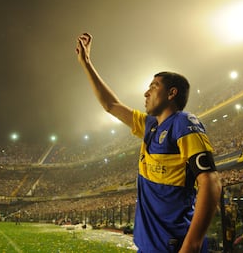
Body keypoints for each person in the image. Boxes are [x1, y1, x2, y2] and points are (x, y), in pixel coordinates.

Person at [76, 33, 222, 253]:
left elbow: (211, 181)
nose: (146, 92)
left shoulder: (183, 122)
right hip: (148, 246)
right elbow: (111, 105)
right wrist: (87, 64)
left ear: (172, 93)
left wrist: (191, 245)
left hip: (175, 246)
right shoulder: (149, 125)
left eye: (153, 86)